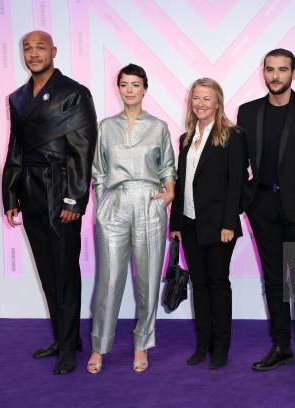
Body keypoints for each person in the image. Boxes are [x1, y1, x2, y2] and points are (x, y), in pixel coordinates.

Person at [2, 30, 97, 375]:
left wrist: (74, 198)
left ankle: (70, 347)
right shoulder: (17, 98)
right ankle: (63, 338)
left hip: (61, 191)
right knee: (47, 272)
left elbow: (83, 150)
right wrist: (10, 192)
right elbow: (16, 148)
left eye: (39, 47)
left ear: (53, 51)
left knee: (65, 271)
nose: (33, 52)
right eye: (26, 47)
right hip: (30, 190)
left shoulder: (74, 93)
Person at [237, 49, 295, 387]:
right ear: (262, 72)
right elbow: (237, 161)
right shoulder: (248, 112)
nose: (276, 76)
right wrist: (243, 201)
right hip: (262, 207)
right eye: (270, 70)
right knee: (273, 282)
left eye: (283, 70)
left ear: (294, 72)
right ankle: (281, 346)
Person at [87, 64, 176, 374]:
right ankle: (99, 346)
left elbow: (167, 166)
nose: (129, 90)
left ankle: (142, 344)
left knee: (148, 281)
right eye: (124, 84)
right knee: (109, 281)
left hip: (150, 204)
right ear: (118, 88)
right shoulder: (106, 126)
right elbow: (98, 169)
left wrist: (169, 193)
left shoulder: (159, 126)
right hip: (114, 203)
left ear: (144, 89)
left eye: (135, 84)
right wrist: (103, 202)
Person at [169, 78, 246, 369]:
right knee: (199, 285)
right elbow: (181, 181)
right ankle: (203, 345)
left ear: (218, 102)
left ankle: (221, 348)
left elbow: (236, 184)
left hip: (219, 225)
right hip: (188, 223)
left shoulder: (232, 135)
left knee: (218, 284)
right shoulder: (186, 138)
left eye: (207, 98)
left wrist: (229, 222)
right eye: (196, 98)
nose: (200, 104)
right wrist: (175, 222)